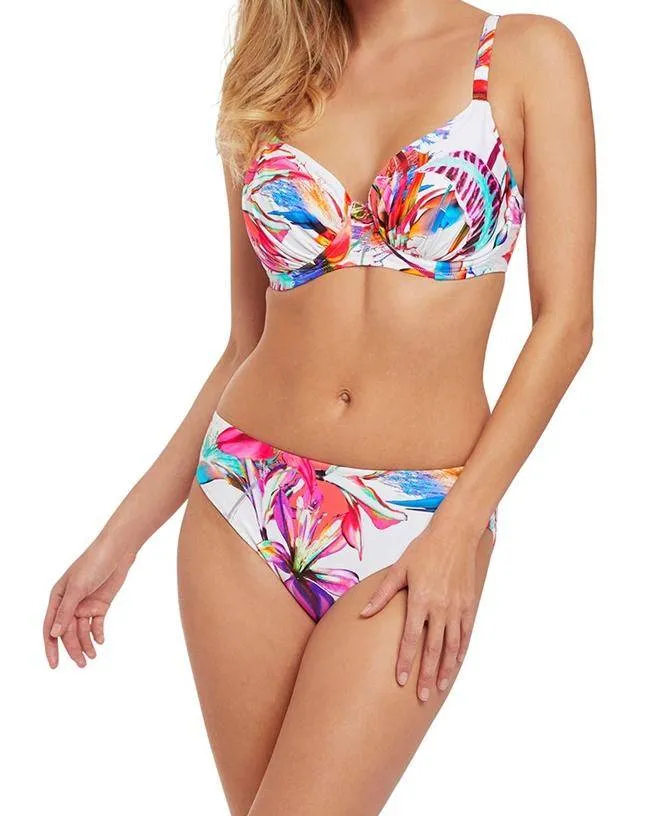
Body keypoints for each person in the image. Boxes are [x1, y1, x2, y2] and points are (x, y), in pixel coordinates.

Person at [43, 2, 595, 813]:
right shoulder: (270, 77)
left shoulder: (522, 54)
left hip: (419, 517)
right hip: (243, 503)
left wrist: (456, 533)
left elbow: (565, 324)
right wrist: (119, 539)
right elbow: (245, 344)